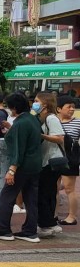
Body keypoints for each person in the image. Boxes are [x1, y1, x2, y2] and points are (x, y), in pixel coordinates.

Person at [0, 93, 43, 242]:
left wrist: (12, 170)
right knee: (31, 198)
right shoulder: (33, 119)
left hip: (21, 166)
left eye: (9, 107)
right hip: (35, 165)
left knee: (7, 196)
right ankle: (30, 230)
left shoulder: (20, 123)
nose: (8, 110)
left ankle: (4, 229)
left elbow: (18, 148)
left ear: (15, 107)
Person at [36, 92, 65, 238]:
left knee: (43, 193)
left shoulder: (51, 118)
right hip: (47, 160)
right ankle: (50, 223)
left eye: (36, 101)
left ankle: (46, 224)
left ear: (45, 104)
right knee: (48, 193)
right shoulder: (43, 118)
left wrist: (41, 135)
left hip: (51, 161)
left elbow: (59, 138)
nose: (34, 104)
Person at [57, 95, 80, 227]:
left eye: (73, 106)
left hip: (70, 159)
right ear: (59, 109)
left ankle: (72, 216)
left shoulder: (78, 122)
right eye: (69, 107)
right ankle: (53, 214)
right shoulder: (53, 121)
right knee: (53, 188)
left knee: (69, 189)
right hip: (54, 158)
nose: (72, 109)